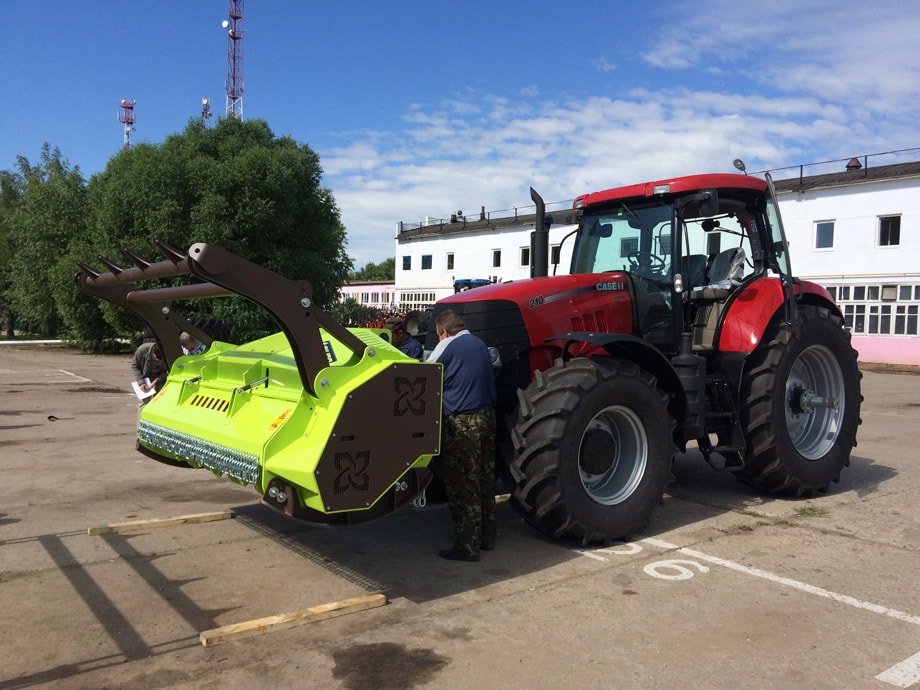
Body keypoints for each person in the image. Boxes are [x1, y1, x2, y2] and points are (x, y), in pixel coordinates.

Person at [428, 309, 497, 562]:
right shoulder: (479, 343)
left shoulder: (448, 344)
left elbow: (424, 374)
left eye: (439, 335)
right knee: (484, 480)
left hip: (464, 423)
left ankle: (467, 547)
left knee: (463, 485)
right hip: (487, 418)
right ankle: (487, 537)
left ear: (443, 332)